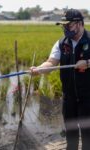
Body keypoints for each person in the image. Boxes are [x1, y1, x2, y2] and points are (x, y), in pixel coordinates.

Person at [30, 9, 90, 150]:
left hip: (87, 98)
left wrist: (87, 63)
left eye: (68, 25)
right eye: (63, 25)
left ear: (80, 23)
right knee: (71, 133)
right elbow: (51, 62)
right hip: (69, 97)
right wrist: (39, 69)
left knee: (87, 134)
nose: (65, 28)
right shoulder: (61, 43)